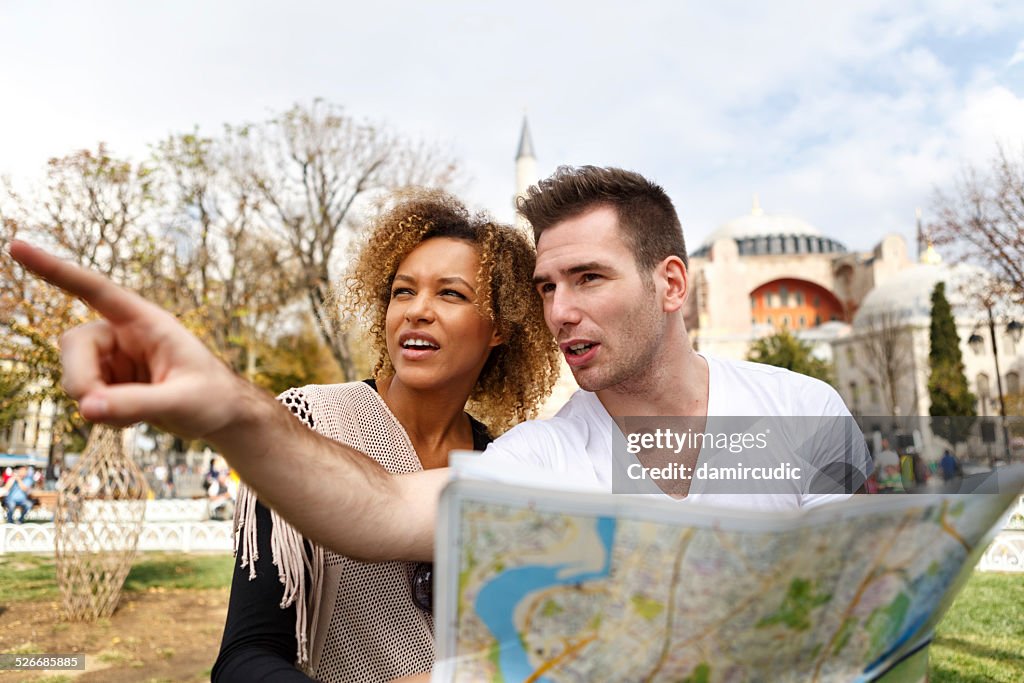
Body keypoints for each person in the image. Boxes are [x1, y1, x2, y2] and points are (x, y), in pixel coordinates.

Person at [8, 165, 869, 564]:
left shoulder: (805, 414)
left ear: (671, 281)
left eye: (590, 278)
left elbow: (868, 604)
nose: (560, 309)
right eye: (545, 285)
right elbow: (382, 507)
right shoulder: (543, 459)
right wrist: (229, 407)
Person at [211, 191, 558, 682]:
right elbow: (244, 658)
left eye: (451, 293)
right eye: (402, 291)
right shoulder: (306, 427)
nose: (417, 310)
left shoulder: (505, 463)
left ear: (500, 327)